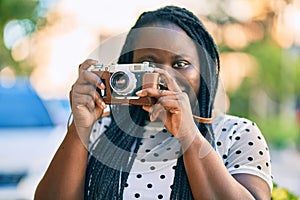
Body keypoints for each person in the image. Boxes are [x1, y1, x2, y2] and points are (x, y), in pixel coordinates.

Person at [34, 5, 272, 200]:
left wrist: (188, 134)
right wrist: (80, 127)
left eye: (180, 64)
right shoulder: (98, 132)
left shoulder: (237, 133)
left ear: (204, 73)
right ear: (126, 69)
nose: (163, 77)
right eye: (149, 63)